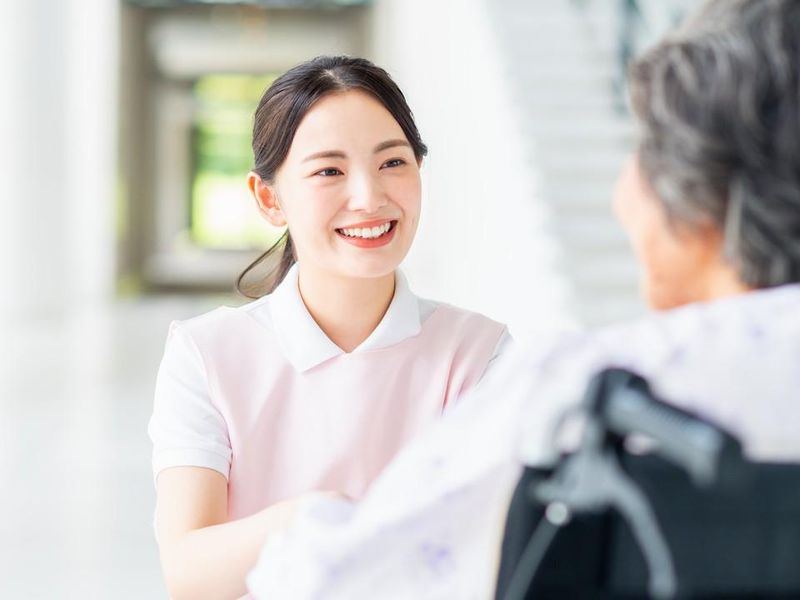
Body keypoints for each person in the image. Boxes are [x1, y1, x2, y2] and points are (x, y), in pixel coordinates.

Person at [245, 1, 800, 597]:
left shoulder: (588, 391)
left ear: (701, 189)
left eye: (641, 151)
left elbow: (321, 580)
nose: (621, 196)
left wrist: (314, 517)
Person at [148, 56, 508, 600]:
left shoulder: (478, 354)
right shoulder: (207, 354)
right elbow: (189, 574)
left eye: (392, 162)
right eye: (329, 171)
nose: (369, 197)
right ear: (269, 198)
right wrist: (317, 518)